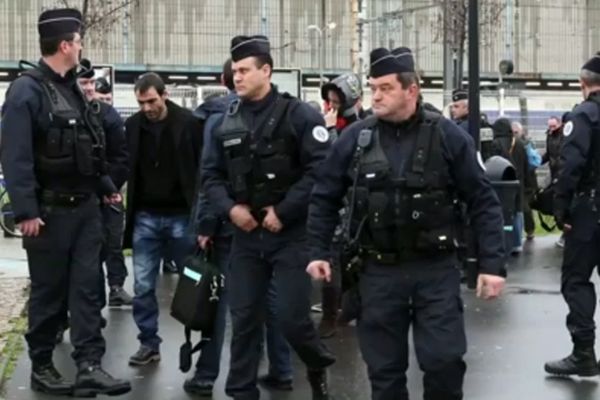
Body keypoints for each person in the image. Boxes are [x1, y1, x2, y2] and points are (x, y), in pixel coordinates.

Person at [306, 47, 506, 400]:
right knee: (384, 375)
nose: (376, 96)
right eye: (373, 88)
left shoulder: (447, 136)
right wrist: (318, 251)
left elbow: (482, 200)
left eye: (385, 88)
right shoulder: (357, 139)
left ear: (411, 90)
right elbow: (324, 195)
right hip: (377, 273)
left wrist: (491, 265)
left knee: (444, 363)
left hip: (435, 271)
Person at [0, 8, 131, 397]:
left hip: (86, 209)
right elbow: (16, 155)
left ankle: (90, 364)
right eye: (78, 41)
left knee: (89, 290)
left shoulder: (73, 88)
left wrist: (107, 185)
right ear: (65, 45)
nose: (81, 47)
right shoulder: (26, 90)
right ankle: (42, 365)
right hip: (49, 213)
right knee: (49, 293)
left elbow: (90, 147)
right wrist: (25, 210)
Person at [202, 35, 336, 400]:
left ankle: (316, 361)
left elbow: (320, 172)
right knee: (244, 318)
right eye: (235, 71)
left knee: (292, 317)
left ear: (267, 70)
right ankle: (241, 391)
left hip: (291, 235)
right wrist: (231, 210)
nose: (237, 77)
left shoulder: (300, 116)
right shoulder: (225, 121)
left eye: (244, 71)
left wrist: (284, 210)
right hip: (246, 235)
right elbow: (210, 177)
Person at [184, 58, 293, 396]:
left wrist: (204, 226)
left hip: (228, 222)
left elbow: (209, 178)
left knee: (214, 300)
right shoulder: (279, 113)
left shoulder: (218, 118)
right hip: (268, 225)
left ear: (223, 78)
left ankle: (206, 376)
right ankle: (281, 368)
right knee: (271, 300)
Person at [123, 72, 203, 366]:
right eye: (141, 102)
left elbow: (202, 169)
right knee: (143, 285)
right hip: (146, 216)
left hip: (181, 215)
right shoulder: (133, 127)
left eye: (151, 101)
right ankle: (148, 342)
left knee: (194, 281)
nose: (147, 108)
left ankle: (204, 338)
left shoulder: (189, 123)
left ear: (164, 94)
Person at [545, 53, 600, 378]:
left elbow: (570, 168)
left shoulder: (583, 116)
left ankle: (583, 352)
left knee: (576, 280)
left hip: (590, 210)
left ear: (583, 85)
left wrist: (560, 209)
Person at [78, 59, 132, 307]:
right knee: (86, 256)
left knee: (112, 242)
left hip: (108, 192)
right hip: (79, 196)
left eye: (91, 82)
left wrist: (108, 187)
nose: (89, 88)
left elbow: (121, 158)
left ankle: (116, 286)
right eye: (84, 82)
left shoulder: (107, 114)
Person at [490, 117, 528, 254]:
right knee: (517, 211)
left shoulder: (495, 144)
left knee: (504, 214)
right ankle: (517, 242)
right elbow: (526, 164)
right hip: (519, 181)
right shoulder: (519, 143)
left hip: (502, 183)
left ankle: (506, 242)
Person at [512, 121, 539, 240]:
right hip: (521, 179)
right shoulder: (512, 143)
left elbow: (532, 163)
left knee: (524, 207)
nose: (514, 134)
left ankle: (529, 230)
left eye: (516, 132)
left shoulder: (526, 144)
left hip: (527, 181)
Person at [321, 72, 368, 140]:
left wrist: (330, 129)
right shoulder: (327, 121)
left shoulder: (359, 129)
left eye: (335, 102)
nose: (330, 105)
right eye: (329, 100)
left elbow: (337, 149)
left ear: (347, 104)